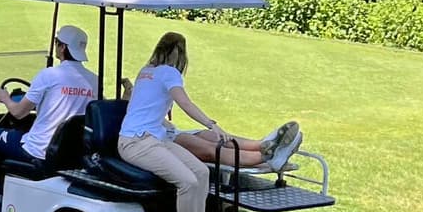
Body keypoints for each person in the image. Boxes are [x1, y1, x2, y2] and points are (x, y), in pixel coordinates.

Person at [117, 32, 302, 212]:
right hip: (137, 142)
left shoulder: (147, 71)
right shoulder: (169, 73)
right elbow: (184, 102)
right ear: (180, 54)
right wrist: (211, 125)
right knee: (187, 181)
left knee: (201, 172)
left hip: (155, 138)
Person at [0, 25, 98, 212]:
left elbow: (18, 113)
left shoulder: (50, 75)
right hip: (70, 153)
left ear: (62, 48)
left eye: (57, 43)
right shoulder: (94, 80)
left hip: (38, 150)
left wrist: (5, 98)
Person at [121, 78, 301, 170]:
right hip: (162, 137)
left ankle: (262, 145)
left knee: (213, 137)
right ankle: (266, 157)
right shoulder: (131, 114)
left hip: (170, 130)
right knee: (210, 148)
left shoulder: (150, 83)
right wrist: (128, 94)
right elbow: (126, 110)